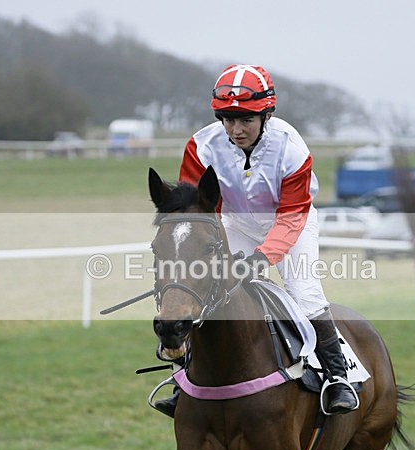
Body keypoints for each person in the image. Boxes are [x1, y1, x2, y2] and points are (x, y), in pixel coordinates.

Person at [153, 64, 358, 417]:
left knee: (305, 294)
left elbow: (291, 217)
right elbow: (195, 209)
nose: (235, 130)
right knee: (207, 288)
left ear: (267, 114)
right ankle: (182, 377)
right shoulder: (201, 146)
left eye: (246, 120)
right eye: (228, 120)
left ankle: (338, 378)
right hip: (233, 223)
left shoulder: (292, 148)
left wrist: (262, 259)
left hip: (292, 222)